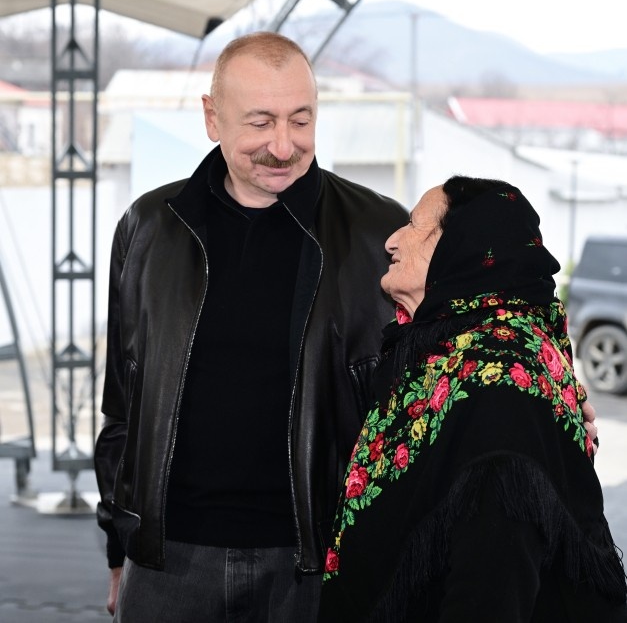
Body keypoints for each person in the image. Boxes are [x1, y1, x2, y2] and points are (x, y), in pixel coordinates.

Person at [94, 31, 408, 621]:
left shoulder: (380, 232)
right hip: (167, 562)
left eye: (300, 120)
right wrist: (119, 543)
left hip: (319, 563)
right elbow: (122, 404)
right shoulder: (148, 228)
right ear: (212, 118)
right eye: (260, 123)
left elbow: (426, 390)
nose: (283, 146)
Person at [318, 176, 626, 622]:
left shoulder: (499, 378)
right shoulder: (449, 353)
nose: (391, 241)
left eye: (414, 224)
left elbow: (492, 579)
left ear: (461, 246)